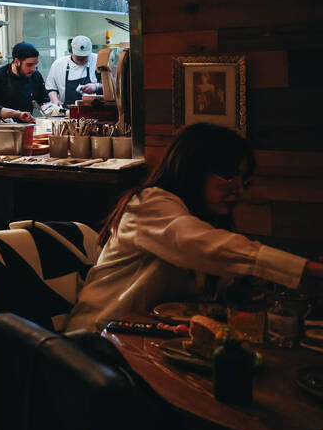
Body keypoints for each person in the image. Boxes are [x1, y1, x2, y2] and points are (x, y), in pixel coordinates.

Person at [66, 124, 323, 333]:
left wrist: (234, 287)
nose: (239, 189)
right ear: (193, 170)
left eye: (244, 180)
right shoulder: (148, 204)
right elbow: (201, 245)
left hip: (143, 341)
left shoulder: (201, 218)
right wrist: (307, 269)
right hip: (96, 342)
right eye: (229, 176)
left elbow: (197, 277)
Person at [0, 41, 48, 114]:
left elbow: (43, 102)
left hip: (26, 123)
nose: (33, 69)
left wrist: (54, 110)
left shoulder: (36, 76)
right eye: (29, 65)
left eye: (35, 64)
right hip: (2, 124)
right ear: (17, 61)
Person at [44, 35, 101, 108]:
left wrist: (97, 86)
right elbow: (51, 87)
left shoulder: (99, 60)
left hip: (95, 110)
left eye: (84, 57)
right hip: (68, 112)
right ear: (71, 51)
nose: (81, 60)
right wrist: (55, 101)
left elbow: (112, 85)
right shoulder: (58, 64)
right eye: (78, 57)